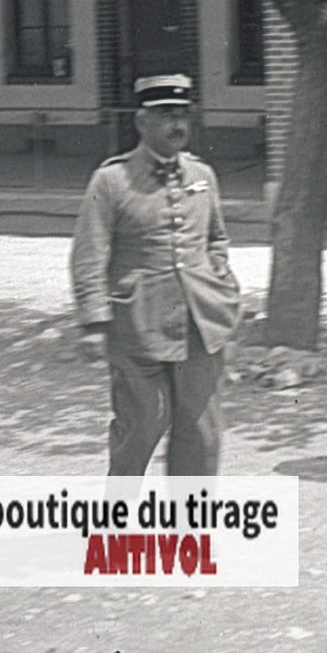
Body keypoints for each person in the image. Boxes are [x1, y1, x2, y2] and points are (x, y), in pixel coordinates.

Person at [70, 74, 240, 477]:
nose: (177, 125)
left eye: (182, 115)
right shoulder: (111, 181)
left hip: (201, 324)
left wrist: (221, 283)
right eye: (165, 115)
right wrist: (94, 322)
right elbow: (89, 253)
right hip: (137, 325)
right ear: (141, 122)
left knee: (202, 434)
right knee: (143, 426)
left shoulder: (203, 176)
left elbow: (216, 238)